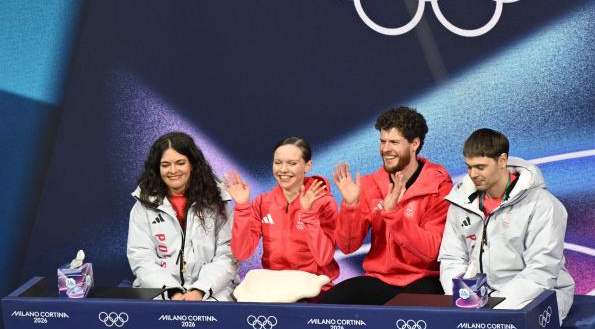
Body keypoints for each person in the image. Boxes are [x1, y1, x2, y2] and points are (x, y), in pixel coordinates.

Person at [438, 128, 574, 322]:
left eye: (480, 167)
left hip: (541, 294)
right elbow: (452, 257)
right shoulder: (460, 203)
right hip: (481, 297)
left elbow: (541, 272)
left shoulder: (543, 205)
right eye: (469, 167)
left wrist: (496, 307)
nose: (472, 174)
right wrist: (464, 294)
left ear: (502, 161)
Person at [322, 106, 453, 304]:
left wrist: (393, 215)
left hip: (425, 278)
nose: (385, 149)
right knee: (331, 303)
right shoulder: (369, 184)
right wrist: (351, 206)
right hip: (380, 278)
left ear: (414, 144)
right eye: (383, 141)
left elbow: (432, 252)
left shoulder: (439, 186)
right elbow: (348, 247)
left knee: (405, 314)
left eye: (394, 142)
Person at [127, 132, 238, 301]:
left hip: (212, 290)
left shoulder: (218, 202)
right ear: (157, 168)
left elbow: (227, 255)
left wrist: (199, 291)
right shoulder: (143, 206)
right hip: (160, 292)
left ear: (192, 164)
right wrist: (171, 292)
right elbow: (141, 258)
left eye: (180, 163)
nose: (173, 171)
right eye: (165, 165)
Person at [227, 137, 339, 290]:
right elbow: (241, 253)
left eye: (292, 163)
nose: (283, 169)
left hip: (314, 287)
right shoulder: (263, 202)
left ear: (307, 166)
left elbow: (324, 258)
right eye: (278, 163)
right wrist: (242, 207)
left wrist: (308, 214)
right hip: (275, 287)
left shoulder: (323, 202)